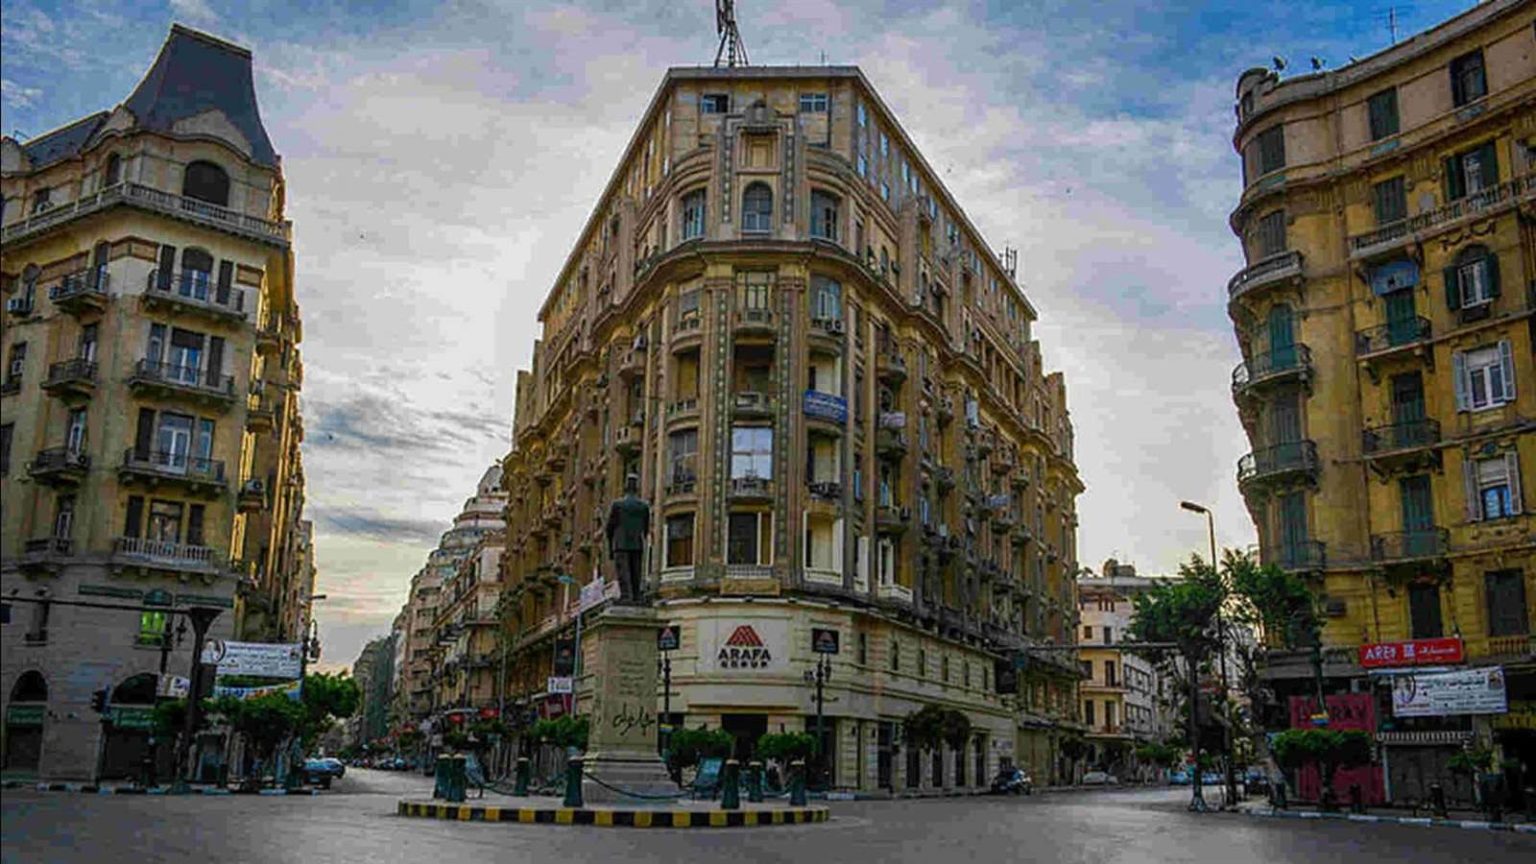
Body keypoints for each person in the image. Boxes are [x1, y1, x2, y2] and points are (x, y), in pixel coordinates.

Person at [605, 473, 652, 603]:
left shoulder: (617, 505)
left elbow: (609, 527)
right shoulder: (644, 506)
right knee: (636, 571)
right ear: (637, 488)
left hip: (621, 544)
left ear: (625, 487)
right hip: (637, 544)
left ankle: (626, 596)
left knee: (623, 572)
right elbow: (646, 528)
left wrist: (611, 546)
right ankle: (636, 596)